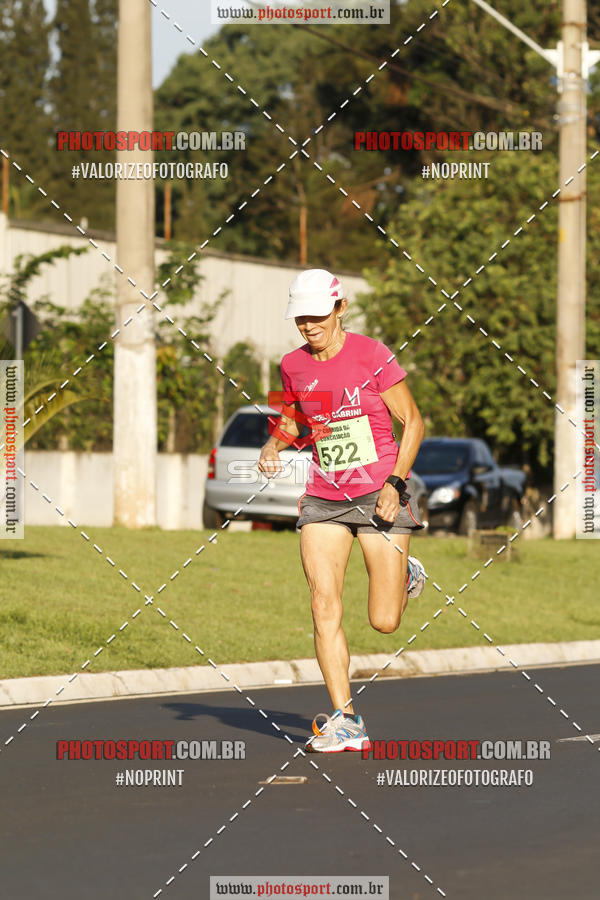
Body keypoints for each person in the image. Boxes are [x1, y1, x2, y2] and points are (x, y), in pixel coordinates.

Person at [258, 269, 426, 753]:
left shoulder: (372, 355)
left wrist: (396, 482)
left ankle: (407, 572)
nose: (308, 325)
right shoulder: (292, 364)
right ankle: (346, 719)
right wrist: (273, 443)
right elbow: (294, 416)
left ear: (340, 308)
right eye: (300, 318)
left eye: (317, 315)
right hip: (323, 497)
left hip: (380, 493)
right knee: (322, 603)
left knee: (384, 621)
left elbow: (413, 422)